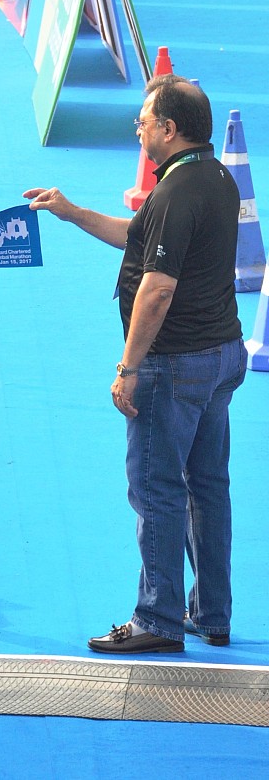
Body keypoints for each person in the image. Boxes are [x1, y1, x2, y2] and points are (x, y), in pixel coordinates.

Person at [24, 75, 246, 654]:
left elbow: (157, 287)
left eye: (143, 121)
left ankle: (158, 619)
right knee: (207, 487)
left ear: (169, 129)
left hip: (175, 367)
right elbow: (139, 236)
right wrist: (73, 212)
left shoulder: (174, 193)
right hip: (221, 356)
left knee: (157, 490)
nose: (138, 129)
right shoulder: (215, 177)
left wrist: (128, 367)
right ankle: (211, 612)